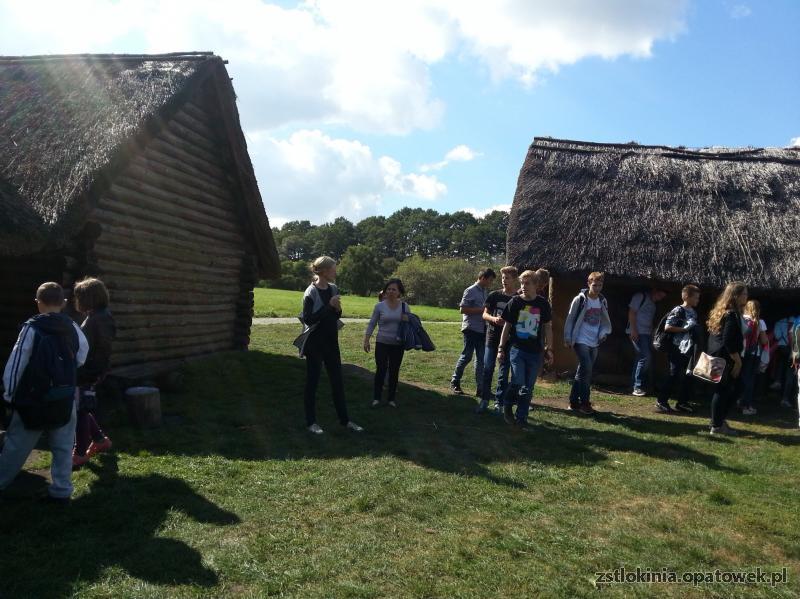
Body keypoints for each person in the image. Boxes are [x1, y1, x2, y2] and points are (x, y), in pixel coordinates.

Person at [0, 282, 89, 502]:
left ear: (38, 303)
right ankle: (61, 490)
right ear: (64, 302)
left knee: (16, 447)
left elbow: (16, 363)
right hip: (64, 397)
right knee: (63, 445)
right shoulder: (72, 327)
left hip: (33, 399)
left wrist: (8, 396)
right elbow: (82, 356)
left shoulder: (31, 328)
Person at [300, 256, 363, 435]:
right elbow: (308, 319)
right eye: (334, 268)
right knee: (312, 382)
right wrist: (329, 306)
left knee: (337, 382)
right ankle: (311, 422)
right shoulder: (310, 292)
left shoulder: (333, 288)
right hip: (314, 343)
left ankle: (345, 420)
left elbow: (336, 315)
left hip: (331, 342)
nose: (336, 271)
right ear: (325, 271)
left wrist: (336, 309)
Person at [497, 269, 553, 430]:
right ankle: (507, 404)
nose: (523, 286)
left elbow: (548, 327)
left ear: (536, 285)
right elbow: (506, 326)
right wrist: (501, 348)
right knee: (518, 381)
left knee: (528, 388)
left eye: (527, 283)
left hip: (535, 351)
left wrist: (550, 349)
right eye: (522, 283)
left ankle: (521, 419)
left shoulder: (543, 304)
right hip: (517, 349)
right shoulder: (515, 302)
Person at [71, 278, 116, 469]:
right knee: (83, 407)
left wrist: (91, 373)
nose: (76, 300)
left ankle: (79, 453)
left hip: (89, 371)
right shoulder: (97, 316)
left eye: (79, 297)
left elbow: (102, 348)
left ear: (88, 297)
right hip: (89, 370)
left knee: (81, 410)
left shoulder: (99, 318)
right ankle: (99, 440)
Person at [564, 272, 612, 415]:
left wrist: (603, 333)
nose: (597, 288)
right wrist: (568, 337)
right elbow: (570, 318)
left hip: (594, 341)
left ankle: (573, 402)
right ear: (589, 284)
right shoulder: (580, 299)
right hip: (580, 340)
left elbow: (604, 320)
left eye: (600, 285)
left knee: (583, 371)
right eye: (595, 285)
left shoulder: (602, 301)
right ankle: (585, 403)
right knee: (587, 370)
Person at [706, 282, 747, 436]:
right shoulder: (731, 314)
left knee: (733, 388)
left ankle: (717, 421)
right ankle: (717, 425)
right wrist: (737, 361)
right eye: (744, 294)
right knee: (724, 389)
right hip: (726, 358)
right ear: (735, 296)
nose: (746, 297)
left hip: (720, 356)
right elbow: (728, 340)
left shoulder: (724, 312)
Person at [478, 266, 519, 414]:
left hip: (509, 341)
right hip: (492, 337)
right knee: (487, 369)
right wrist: (494, 319)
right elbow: (484, 314)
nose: (504, 280)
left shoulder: (518, 299)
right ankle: (484, 400)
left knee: (503, 372)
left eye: (507, 278)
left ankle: (499, 403)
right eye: (502, 278)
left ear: (514, 280)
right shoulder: (494, 295)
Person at [450, 268, 496, 396]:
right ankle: (455, 382)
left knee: (481, 360)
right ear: (483, 278)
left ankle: (480, 389)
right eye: (490, 280)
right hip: (471, 329)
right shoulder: (470, 290)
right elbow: (463, 309)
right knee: (467, 356)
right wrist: (482, 310)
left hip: (482, 329)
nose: (490, 283)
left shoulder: (485, 292)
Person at [655, 285, 701, 413]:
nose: (698, 300)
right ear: (687, 296)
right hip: (676, 347)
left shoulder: (694, 312)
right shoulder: (678, 310)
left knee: (689, 375)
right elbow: (667, 327)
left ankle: (682, 402)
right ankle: (661, 401)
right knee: (673, 373)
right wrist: (684, 329)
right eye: (696, 297)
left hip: (689, 348)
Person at [364, 278, 407, 408]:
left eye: (394, 289)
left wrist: (407, 320)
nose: (391, 291)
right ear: (385, 291)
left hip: (398, 344)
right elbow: (372, 323)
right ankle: (377, 398)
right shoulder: (379, 306)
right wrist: (366, 339)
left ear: (399, 292)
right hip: (382, 342)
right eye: (389, 289)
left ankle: (391, 399)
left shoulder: (405, 306)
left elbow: (409, 327)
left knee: (394, 371)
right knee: (381, 369)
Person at [628, 286, 668, 396]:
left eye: (662, 297)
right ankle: (637, 386)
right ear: (654, 290)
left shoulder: (653, 304)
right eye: (659, 295)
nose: (660, 298)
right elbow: (632, 312)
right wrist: (633, 330)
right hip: (638, 332)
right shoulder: (640, 297)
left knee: (641, 358)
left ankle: (634, 385)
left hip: (646, 333)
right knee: (645, 356)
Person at [739, 300, 768, 416]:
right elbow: (764, 340)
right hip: (754, 353)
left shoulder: (741, 318)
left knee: (740, 377)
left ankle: (738, 400)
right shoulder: (760, 322)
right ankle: (746, 405)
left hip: (740, 352)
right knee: (750, 380)